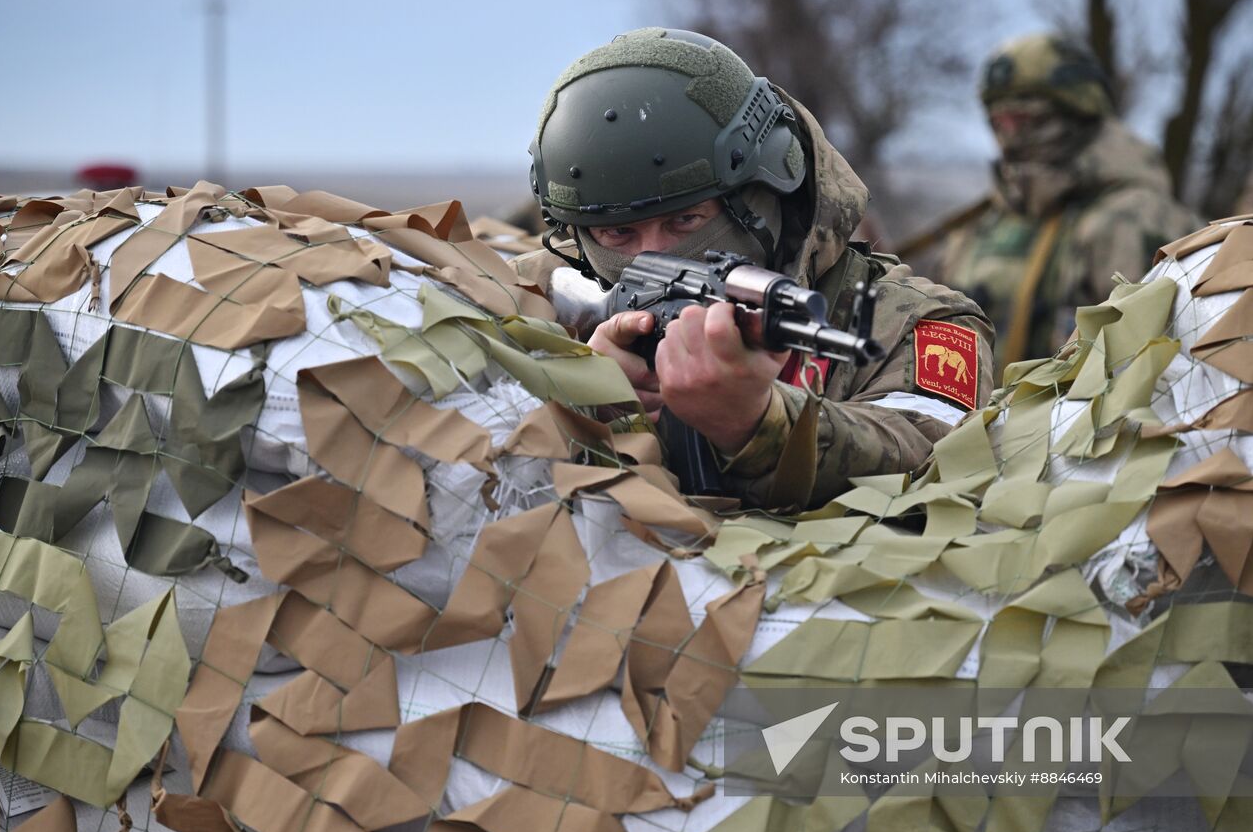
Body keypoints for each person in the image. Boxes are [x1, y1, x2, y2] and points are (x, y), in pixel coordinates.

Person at [514, 28, 994, 510]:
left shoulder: (914, 322)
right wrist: (574, 397)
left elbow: (933, 454)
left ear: (768, 194)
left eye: (686, 220)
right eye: (617, 233)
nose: (652, 257)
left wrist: (757, 422)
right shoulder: (529, 293)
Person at [940, 33, 1200, 368]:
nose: (1010, 136)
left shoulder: (1132, 220)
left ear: (1077, 114)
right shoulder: (983, 225)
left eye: (1025, 120)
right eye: (999, 121)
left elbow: (1148, 369)